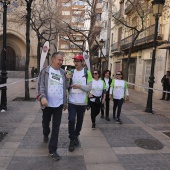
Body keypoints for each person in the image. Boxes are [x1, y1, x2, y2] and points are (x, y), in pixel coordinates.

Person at [36, 51, 69, 161]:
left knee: (56, 127)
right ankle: (46, 133)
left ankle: (53, 150)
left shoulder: (63, 73)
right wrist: (42, 97)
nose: (61, 62)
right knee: (46, 123)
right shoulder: (45, 71)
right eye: (59, 60)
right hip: (47, 104)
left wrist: (65, 102)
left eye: (62, 60)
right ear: (53, 59)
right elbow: (40, 85)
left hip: (58, 104)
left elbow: (65, 87)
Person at [67, 54, 92, 152]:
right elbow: (66, 85)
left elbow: (89, 87)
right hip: (72, 101)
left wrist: (79, 86)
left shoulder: (87, 72)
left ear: (82, 62)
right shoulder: (71, 72)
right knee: (71, 120)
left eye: (78, 61)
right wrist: (67, 79)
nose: (76, 63)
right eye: (75, 61)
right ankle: (72, 139)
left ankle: (76, 135)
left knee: (80, 121)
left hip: (82, 102)